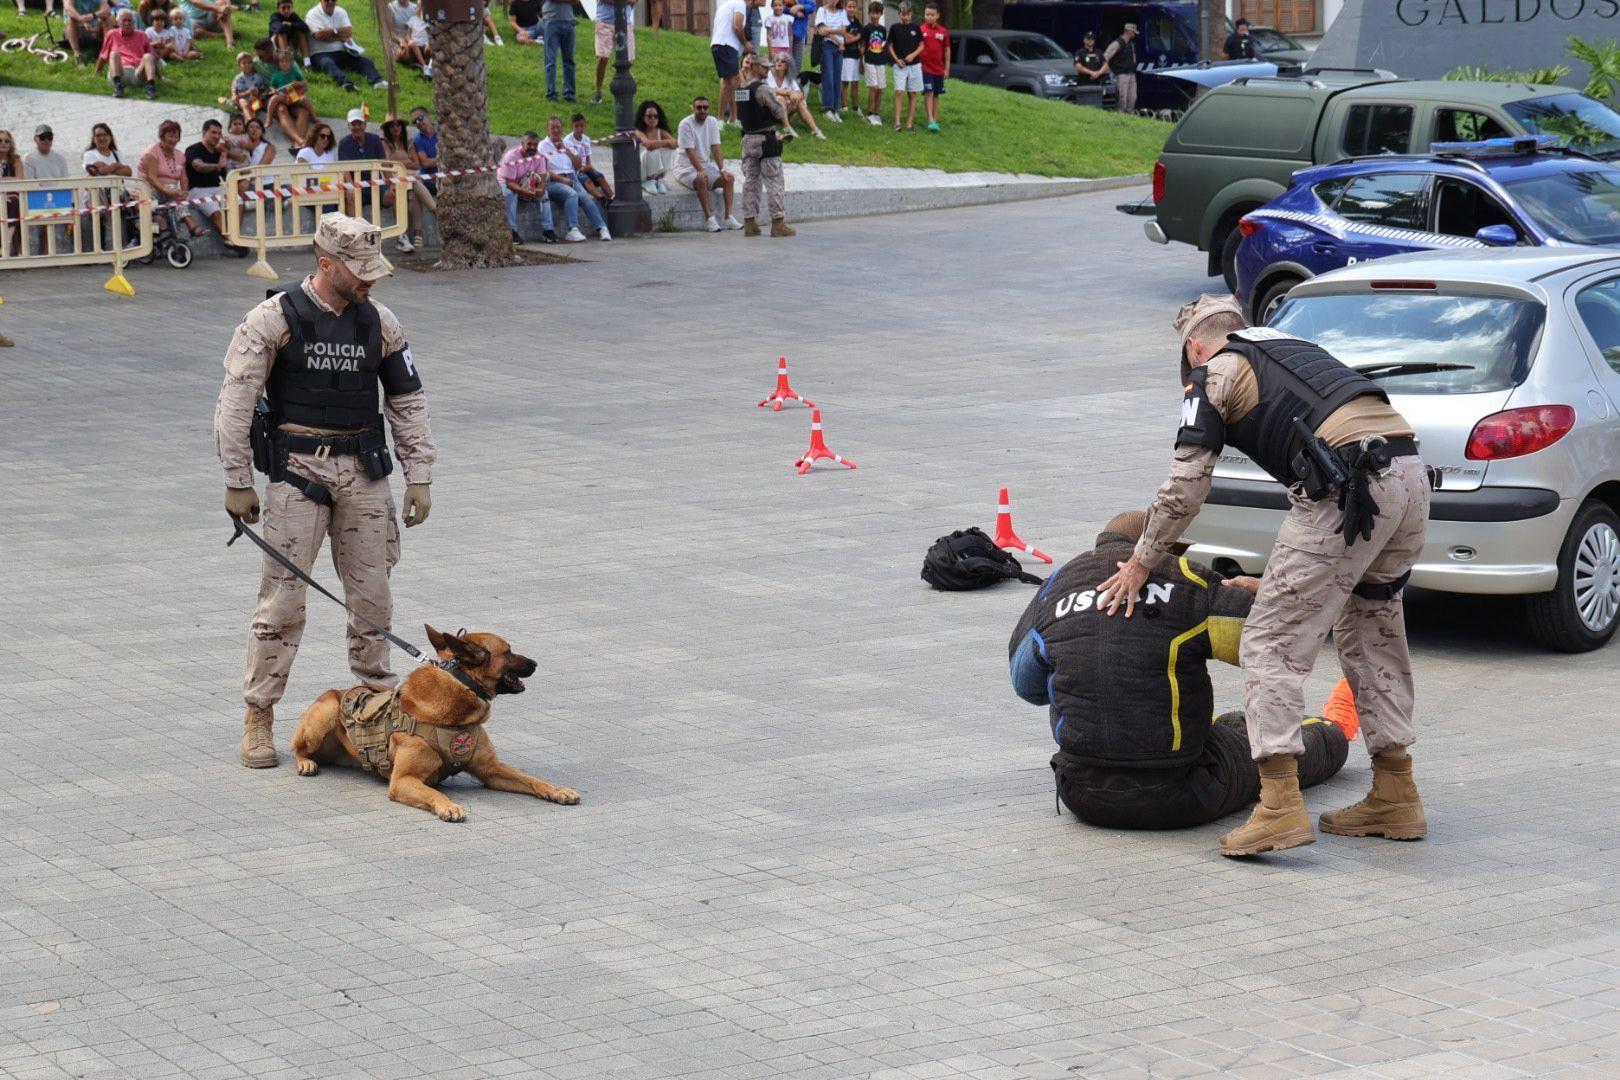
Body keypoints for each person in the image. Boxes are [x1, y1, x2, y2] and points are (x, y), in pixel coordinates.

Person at [1099, 294, 1431, 857]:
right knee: (1371, 629)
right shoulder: (1290, 347)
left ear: (1193, 347)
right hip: (1409, 476)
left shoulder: (1214, 371)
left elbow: (1186, 487)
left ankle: (1279, 806)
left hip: (1348, 490)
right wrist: (1282, 579)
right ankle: (1396, 792)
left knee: (1270, 643)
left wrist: (1141, 561)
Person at [214, 213, 436, 769]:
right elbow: (236, 401)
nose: (369, 280)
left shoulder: (380, 322)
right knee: (282, 601)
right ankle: (259, 714)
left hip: (364, 474)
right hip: (298, 474)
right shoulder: (272, 319)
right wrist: (238, 480)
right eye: (359, 271)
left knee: (373, 598)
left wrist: (420, 474)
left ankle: (377, 707)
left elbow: (407, 401)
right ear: (325, 264)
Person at [1011, 510, 1353, 831]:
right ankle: (1337, 727)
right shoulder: (1187, 580)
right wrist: (1265, 592)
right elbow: (1277, 642)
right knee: (1303, 745)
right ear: (1155, 547)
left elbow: (1028, 687)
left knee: (1229, 724)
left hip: (1082, 793)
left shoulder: (1053, 586)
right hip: (1182, 790)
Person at [735, 53, 794, 238]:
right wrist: (784, 106)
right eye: (764, 67)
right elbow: (778, 111)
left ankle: (749, 223)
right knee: (775, 181)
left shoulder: (741, 88)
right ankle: (778, 223)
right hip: (766, 140)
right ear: (754, 67)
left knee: (750, 182)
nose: (767, 70)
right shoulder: (763, 89)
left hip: (748, 139)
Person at [538, 114, 610, 241]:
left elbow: (577, 165)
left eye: (558, 127)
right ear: (547, 130)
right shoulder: (543, 146)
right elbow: (542, 171)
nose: (556, 130)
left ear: (562, 128)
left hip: (571, 176)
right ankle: (573, 229)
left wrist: (566, 150)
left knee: (585, 197)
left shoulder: (567, 142)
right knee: (572, 194)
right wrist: (562, 180)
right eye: (553, 128)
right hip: (553, 180)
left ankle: (601, 227)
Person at [675, 97, 742, 232]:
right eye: (699, 107)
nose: (702, 110)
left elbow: (716, 147)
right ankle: (710, 219)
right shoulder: (685, 124)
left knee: (729, 179)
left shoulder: (712, 122)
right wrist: (700, 170)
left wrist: (722, 169)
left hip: (705, 165)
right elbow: (690, 151)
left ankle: (728, 217)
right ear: (693, 108)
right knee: (702, 179)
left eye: (705, 107)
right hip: (685, 168)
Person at [183, 118, 247, 251]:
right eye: (213, 132)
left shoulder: (219, 153)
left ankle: (234, 236)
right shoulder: (193, 149)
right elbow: (198, 166)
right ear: (204, 133)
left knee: (239, 202)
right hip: (198, 190)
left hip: (218, 188)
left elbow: (224, 175)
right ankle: (233, 242)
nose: (217, 136)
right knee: (216, 212)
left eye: (219, 133)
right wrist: (217, 166)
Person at [306, 0, 386, 91]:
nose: (330, 2)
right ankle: (345, 83)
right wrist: (340, 35)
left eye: (333, 0)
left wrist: (330, 32)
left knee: (366, 61)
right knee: (328, 64)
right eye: (327, 0)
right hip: (320, 53)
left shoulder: (341, 11)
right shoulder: (312, 14)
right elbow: (320, 36)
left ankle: (378, 81)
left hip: (341, 51)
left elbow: (348, 31)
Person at [381, 116, 433, 252]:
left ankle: (417, 235)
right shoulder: (384, 143)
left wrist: (397, 162)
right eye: (392, 125)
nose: (396, 128)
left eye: (399, 125)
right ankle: (434, 210)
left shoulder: (409, 142)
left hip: (410, 181)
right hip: (393, 183)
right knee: (405, 188)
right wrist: (406, 161)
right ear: (387, 128)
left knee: (413, 194)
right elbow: (387, 164)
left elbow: (416, 164)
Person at [82, 122, 136, 250]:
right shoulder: (90, 154)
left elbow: (128, 171)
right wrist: (114, 166)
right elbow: (94, 173)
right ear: (93, 139)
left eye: (105, 135)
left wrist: (105, 168)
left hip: (117, 194)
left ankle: (120, 249)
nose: (102, 138)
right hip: (98, 196)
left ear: (110, 137)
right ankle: (108, 250)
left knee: (120, 221)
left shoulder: (117, 154)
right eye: (98, 136)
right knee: (106, 221)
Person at [498, 131, 560, 243]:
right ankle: (512, 231)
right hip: (507, 182)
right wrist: (523, 191)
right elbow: (510, 183)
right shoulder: (511, 156)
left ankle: (548, 230)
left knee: (544, 195)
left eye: (535, 145)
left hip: (526, 182)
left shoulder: (539, 156)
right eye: (529, 144)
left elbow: (543, 177)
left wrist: (540, 189)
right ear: (522, 143)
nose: (532, 147)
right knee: (510, 194)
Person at [96, 9, 159, 99]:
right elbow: (103, 55)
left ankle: (150, 87)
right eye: (124, 21)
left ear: (134, 22)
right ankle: (118, 87)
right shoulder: (112, 34)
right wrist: (97, 73)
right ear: (118, 22)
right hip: (121, 71)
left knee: (148, 56)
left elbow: (152, 58)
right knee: (114, 54)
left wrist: (161, 76)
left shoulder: (142, 35)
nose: (127, 23)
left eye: (129, 21)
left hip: (137, 72)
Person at [337, 107, 385, 217]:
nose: (357, 127)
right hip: (357, 186)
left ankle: (402, 228)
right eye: (353, 124)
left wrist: (392, 183)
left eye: (360, 123)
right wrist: (350, 186)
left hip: (376, 184)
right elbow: (344, 168)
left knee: (393, 194)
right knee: (351, 197)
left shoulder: (375, 139)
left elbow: (384, 163)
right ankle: (354, 228)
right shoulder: (344, 143)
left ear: (365, 124)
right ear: (348, 126)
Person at [711, 0, 751, 125]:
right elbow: (737, 26)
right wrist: (745, 43)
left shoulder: (727, 4)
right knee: (729, 83)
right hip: (726, 45)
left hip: (720, 44)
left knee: (730, 82)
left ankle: (730, 118)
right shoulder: (740, 4)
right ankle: (725, 119)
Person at [766, 54, 825, 139]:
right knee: (780, 98)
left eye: (783, 61)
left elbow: (800, 93)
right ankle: (787, 127)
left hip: (785, 109)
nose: (779, 62)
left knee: (799, 102)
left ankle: (815, 130)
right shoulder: (769, 74)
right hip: (770, 111)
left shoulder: (789, 77)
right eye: (777, 60)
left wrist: (795, 98)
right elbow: (773, 90)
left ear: (788, 65)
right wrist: (789, 94)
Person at [267, 50, 316, 148]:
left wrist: (297, 84)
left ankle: (314, 116)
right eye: (282, 62)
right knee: (274, 98)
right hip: (283, 96)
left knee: (304, 99)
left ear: (291, 62)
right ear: (278, 63)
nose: (284, 64)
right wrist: (273, 90)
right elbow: (271, 86)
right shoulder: (276, 74)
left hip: (293, 95)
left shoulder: (294, 72)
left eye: (287, 62)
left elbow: (304, 82)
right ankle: (269, 118)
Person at [590, 0, 633, 104]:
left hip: (625, 22)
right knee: (603, 58)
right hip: (605, 22)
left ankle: (626, 90)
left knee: (627, 59)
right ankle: (598, 91)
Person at [886, 0, 921, 131]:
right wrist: (897, 60)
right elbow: (890, 46)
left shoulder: (916, 28)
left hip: (915, 65)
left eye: (907, 14)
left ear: (911, 14)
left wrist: (913, 55)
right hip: (900, 65)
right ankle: (897, 123)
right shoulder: (894, 28)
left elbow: (922, 45)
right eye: (903, 14)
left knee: (912, 93)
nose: (905, 17)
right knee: (899, 92)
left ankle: (909, 124)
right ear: (899, 14)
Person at [630, 99, 677, 195]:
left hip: (658, 174)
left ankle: (660, 179)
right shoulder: (638, 131)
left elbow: (675, 144)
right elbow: (648, 145)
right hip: (641, 169)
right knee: (652, 151)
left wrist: (664, 143)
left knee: (670, 150)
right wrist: (666, 142)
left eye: (656, 116)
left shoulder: (661, 131)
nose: (653, 119)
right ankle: (648, 180)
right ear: (643, 117)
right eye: (649, 116)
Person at [563, 113, 612, 205]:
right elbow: (573, 160)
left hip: (585, 167)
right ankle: (602, 199)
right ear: (572, 126)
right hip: (574, 169)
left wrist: (589, 166)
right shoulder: (567, 140)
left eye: (582, 126)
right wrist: (581, 168)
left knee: (600, 176)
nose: (579, 129)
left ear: (585, 126)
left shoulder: (586, 139)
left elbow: (588, 158)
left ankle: (612, 197)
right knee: (586, 180)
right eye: (576, 126)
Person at [812, 0, 848, 121]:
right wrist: (838, 41)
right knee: (828, 78)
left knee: (837, 79)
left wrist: (829, 30)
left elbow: (843, 30)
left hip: (839, 49)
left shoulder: (842, 12)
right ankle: (827, 108)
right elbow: (822, 31)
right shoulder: (821, 11)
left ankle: (835, 109)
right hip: (827, 46)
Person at [542, 0, 583, 102]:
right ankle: (551, 94)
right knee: (551, 60)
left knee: (569, 61)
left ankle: (569, 94)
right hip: (551, 20)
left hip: (568, 21)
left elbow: (576, 1)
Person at [917, 0, 947, 133]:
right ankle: (930, 120)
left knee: (936, 94)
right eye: (927, 14)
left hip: (939, 69)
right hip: (925, 68)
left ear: (938, 15)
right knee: (929, 92)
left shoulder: (943, 32)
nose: (929, 17)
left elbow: (947, 50)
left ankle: (935, 119)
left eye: (932, 15)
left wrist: (947, 68)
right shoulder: (920, 30)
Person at [858, 1, 886, 125]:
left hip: (880, 61)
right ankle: (870, 114)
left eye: (877, 13)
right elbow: (863, 46)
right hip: (869, 61)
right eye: (873, 13)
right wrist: (861, 62)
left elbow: (883, 44)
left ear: (881, 14)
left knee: (880, 89)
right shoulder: (866, 29)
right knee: (873, 87)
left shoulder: (883, 29)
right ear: (869, 13)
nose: (875, 15)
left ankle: (877, 113)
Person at [1102, 22, 1138, 114]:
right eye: (1133, 32)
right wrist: (1106, 69)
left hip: (1131, 74)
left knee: (1133, 98)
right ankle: (1120, 114)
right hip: (1121, 75)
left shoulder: (1131, 44)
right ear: (1129, 32)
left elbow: (1134, 58)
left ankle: (1130, 115)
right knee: (1122, 98)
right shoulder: (1117, 43)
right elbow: (1106, 56)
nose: (1134, 35)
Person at [231, 50, 271, 122]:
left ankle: (251, 121)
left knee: (255, 105)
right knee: (243, 103)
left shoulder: (258, 77)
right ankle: (250, 121)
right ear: (239, 66)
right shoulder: (240, 78)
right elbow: (239, 94)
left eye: (249, 62)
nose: (247, 65)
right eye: (244, 63)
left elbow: (263, 91)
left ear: (252, 64)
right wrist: (248, 92)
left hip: (255, 99)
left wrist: (258, 93)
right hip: (243, 100)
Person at [409, 108, 439, 203]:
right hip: (429, 178)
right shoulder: (417, 139)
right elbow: (426, 163)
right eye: (415, 121)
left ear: (428, 116)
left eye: (420, 118)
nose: (418, 122)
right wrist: (443, 159)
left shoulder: (442, 130)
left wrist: (434, 160)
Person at [839, 0, 862, 119]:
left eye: (854, 6)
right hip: (846, 55)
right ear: (845, 7)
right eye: (849, 6)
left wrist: (854, 37)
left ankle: (855, 106)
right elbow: (846, 40)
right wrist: (856, 37)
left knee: (855, 82)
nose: (852, 9)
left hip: (856, 56)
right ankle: (843, 105)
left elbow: (860, 37)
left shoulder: (857, 22)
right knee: (845, 81)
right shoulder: (842, 21)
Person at [0, 131, 22, 257]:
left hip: (13, 197)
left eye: (6, 141)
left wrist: (3, 180)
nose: (3, 143)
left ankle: (7, 243)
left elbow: (20, 180)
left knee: (14, 202)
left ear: (10, 143)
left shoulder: (15, 160)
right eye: (0, 141)